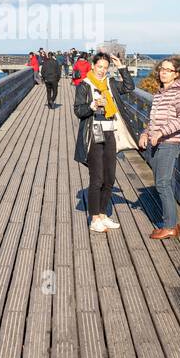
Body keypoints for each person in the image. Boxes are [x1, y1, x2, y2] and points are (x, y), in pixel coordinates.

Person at [74, 51, 135, 233]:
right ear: (93, 66)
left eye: (105, 68)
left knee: (110, 177)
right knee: (97, 178)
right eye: (99, 67)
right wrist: (93, 105)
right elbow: (78, 110)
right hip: (94, 133)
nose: (102, 70)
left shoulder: (110, 83)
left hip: (110, 133)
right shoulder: (85, 85)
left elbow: (129, 87)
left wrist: (121, 67)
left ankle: (102, 215)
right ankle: (94, 219)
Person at [137, 57, 180, 240]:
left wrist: (161, 133)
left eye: (168, 70)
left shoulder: (179, 94)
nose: (163, 72)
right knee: (161, 182)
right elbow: (153, 121)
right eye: (162, 69)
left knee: (163, 183)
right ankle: (170, 223)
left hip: (170, 143)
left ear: (176, 74)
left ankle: (169, 226)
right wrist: (145, 133)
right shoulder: (160, 93)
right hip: (157, 142)